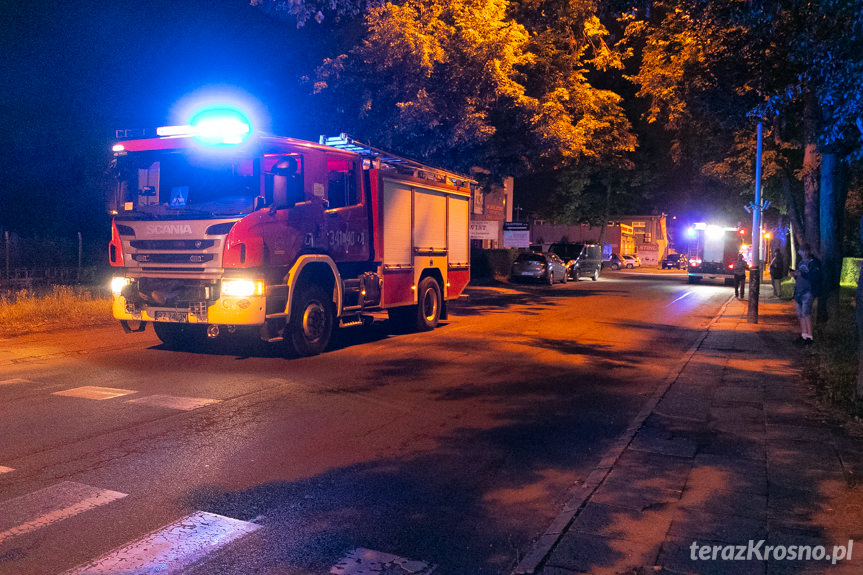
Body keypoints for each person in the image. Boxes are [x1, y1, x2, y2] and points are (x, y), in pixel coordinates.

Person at [790, 243, 821, 345]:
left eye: (803, 251)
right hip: (799, 291)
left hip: (808, 291)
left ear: (807, 251)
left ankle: (810, 337)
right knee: (800, 314)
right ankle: (804, 335)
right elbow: (800, 276)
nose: (801, 253)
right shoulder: (801, 262)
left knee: (806, 314)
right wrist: (795, 274)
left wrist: (801, 273)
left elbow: (815, 276)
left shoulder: (813, 263)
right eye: (801, 251)